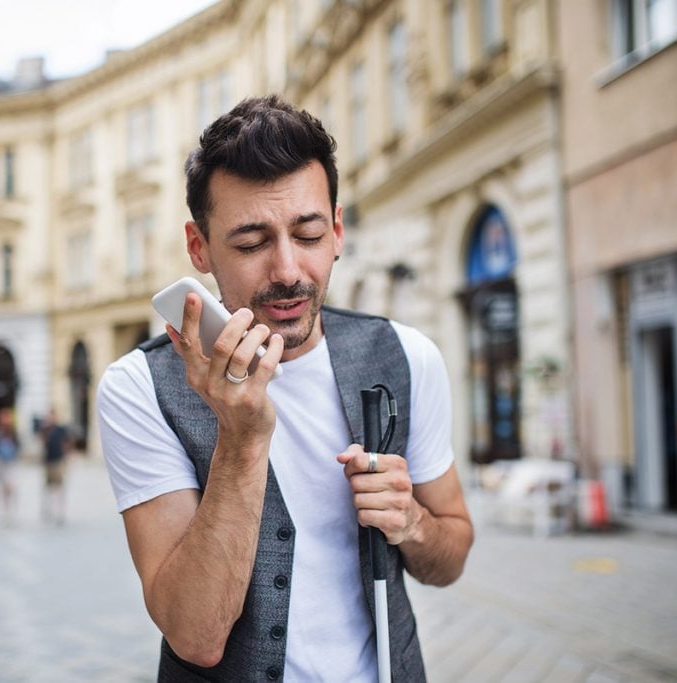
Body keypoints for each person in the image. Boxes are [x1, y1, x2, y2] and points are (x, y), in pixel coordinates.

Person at [98, 96, 473, 681]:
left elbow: (451, 558)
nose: (289, 270)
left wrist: (412, 524)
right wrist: (243, 439)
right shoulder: (139, 389)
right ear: (199, 248)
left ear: (338, 230)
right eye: (250, 243)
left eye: (308, 233)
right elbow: (195, 636)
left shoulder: (406, 356)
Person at [0, 407, 20, 525]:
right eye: (3, 416)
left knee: (10, 486)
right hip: (0, 462)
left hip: (10, 463)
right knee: (1, 488)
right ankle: (4, 510)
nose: (5, 419)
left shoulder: (13, 431)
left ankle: (10, 508)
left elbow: (18, 445)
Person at [39, 409, 71, 525]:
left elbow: (66, 443)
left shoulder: (60, 429)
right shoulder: (45, 430)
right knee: (47, 488)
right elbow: (42, 443)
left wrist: (66, 458)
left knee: (59, 487)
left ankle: (59, 512)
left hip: (58, 461)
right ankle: (48, 510)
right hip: (48, 461)